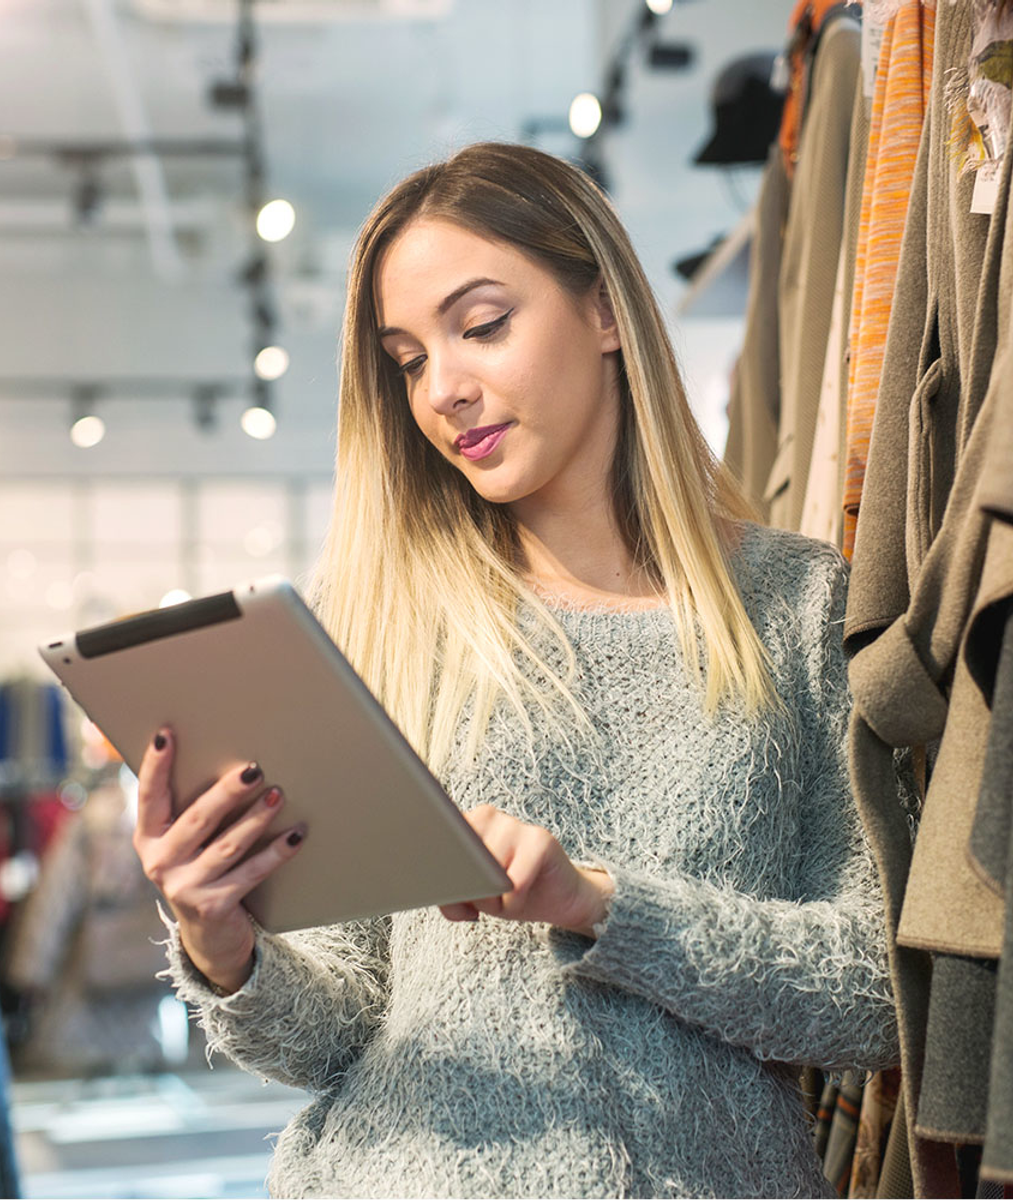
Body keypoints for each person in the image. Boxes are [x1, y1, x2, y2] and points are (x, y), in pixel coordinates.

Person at [132, 142, 899, 1198]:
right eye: (408, 360)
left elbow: (877, 994)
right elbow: (332, 1035)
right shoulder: (384, 618)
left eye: (483, 325)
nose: (444, 390)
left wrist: (600, 904)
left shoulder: (799, 604)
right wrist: (224, 946)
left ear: (605, 310)